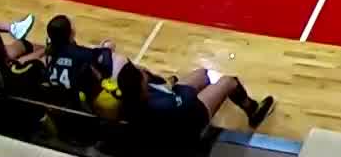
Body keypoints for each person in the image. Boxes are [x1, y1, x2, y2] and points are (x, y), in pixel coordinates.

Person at [116, 58, 274, 143]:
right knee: (229, 82)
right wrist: (183, 90)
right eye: (140, 72)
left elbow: (162, 87)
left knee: (202, 74)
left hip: (169, 108)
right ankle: (253, 111)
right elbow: (186, 100)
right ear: (140, 83)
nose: (142, 69)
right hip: (188, 119)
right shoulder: (161, 104)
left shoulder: (127, 95)